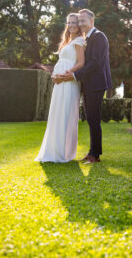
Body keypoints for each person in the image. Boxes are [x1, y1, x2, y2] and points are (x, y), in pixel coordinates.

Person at [59, 9, 112, 164]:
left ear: (91, 21)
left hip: (97, 84)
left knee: (94, 119)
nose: (81, 24)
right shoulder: (88, 38)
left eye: (83, 21)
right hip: (89, 84)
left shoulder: (99, 37)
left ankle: (95, 155)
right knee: (90, 119)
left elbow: (96, 63)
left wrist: (75, 75)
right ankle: (91, 152)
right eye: (79, 21)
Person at [34, 13, 86, 163]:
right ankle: (54, 149)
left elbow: (80, 63)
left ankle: (63, 152)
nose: (71, 25)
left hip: (69, 81)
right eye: (69, 23)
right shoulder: (67, 41)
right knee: (57, 112)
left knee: (66, 112)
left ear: (79, 24)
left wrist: (64, 76)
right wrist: (54, 75)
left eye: (74, 22)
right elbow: (62, 61)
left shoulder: (79, 41)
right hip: (60, 82)